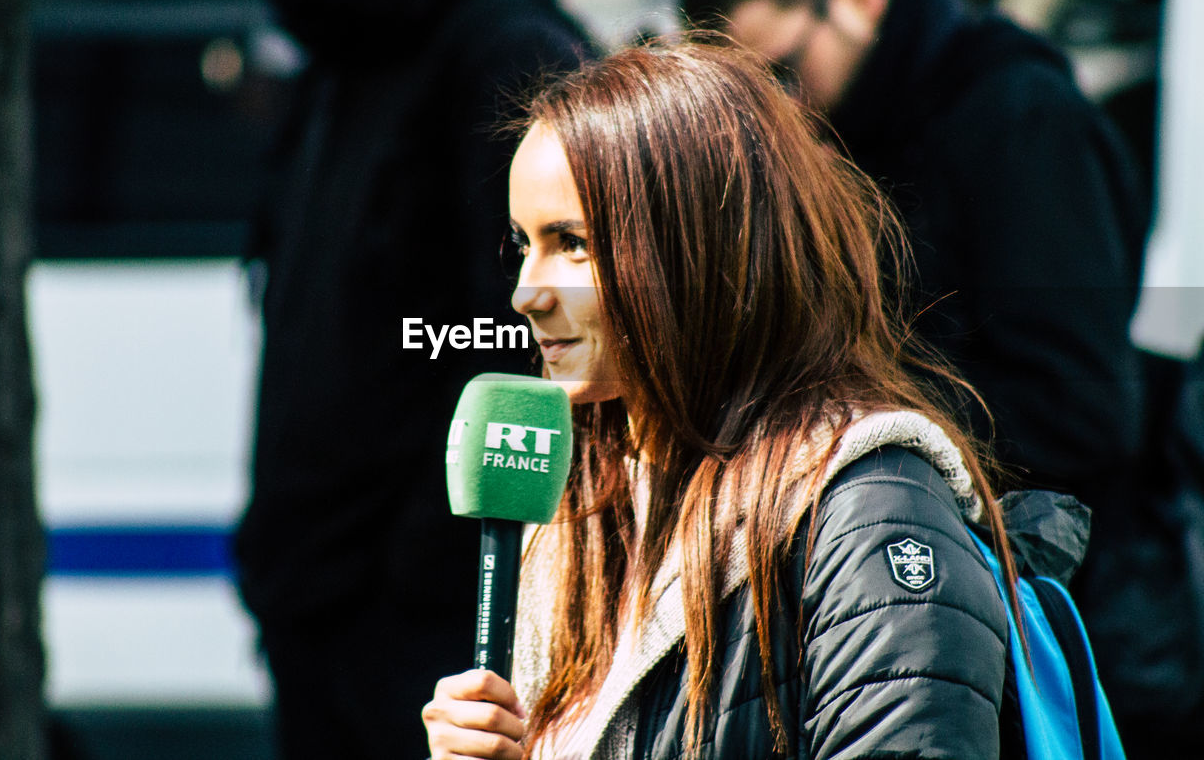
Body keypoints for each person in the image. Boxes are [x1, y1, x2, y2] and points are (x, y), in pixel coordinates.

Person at [421, 40, 1052, 759]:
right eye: (520, 244)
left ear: (699, 250)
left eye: (572, 243)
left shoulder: (869, 511)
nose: (525, 293)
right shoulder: (584, 502)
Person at [211, 0, 591, 756]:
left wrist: (419, 575)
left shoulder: (499, 51)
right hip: (323, 614)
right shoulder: (341, 56)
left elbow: (521, 337)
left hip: (426, 644)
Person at [679, 0, 1149, 499]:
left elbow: (1080, 412)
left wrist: (838, 413)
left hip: (1036, 559)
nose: (778, 115)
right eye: (745, 97)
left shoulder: (1020, 119)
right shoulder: (849, 129)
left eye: (782, 74)